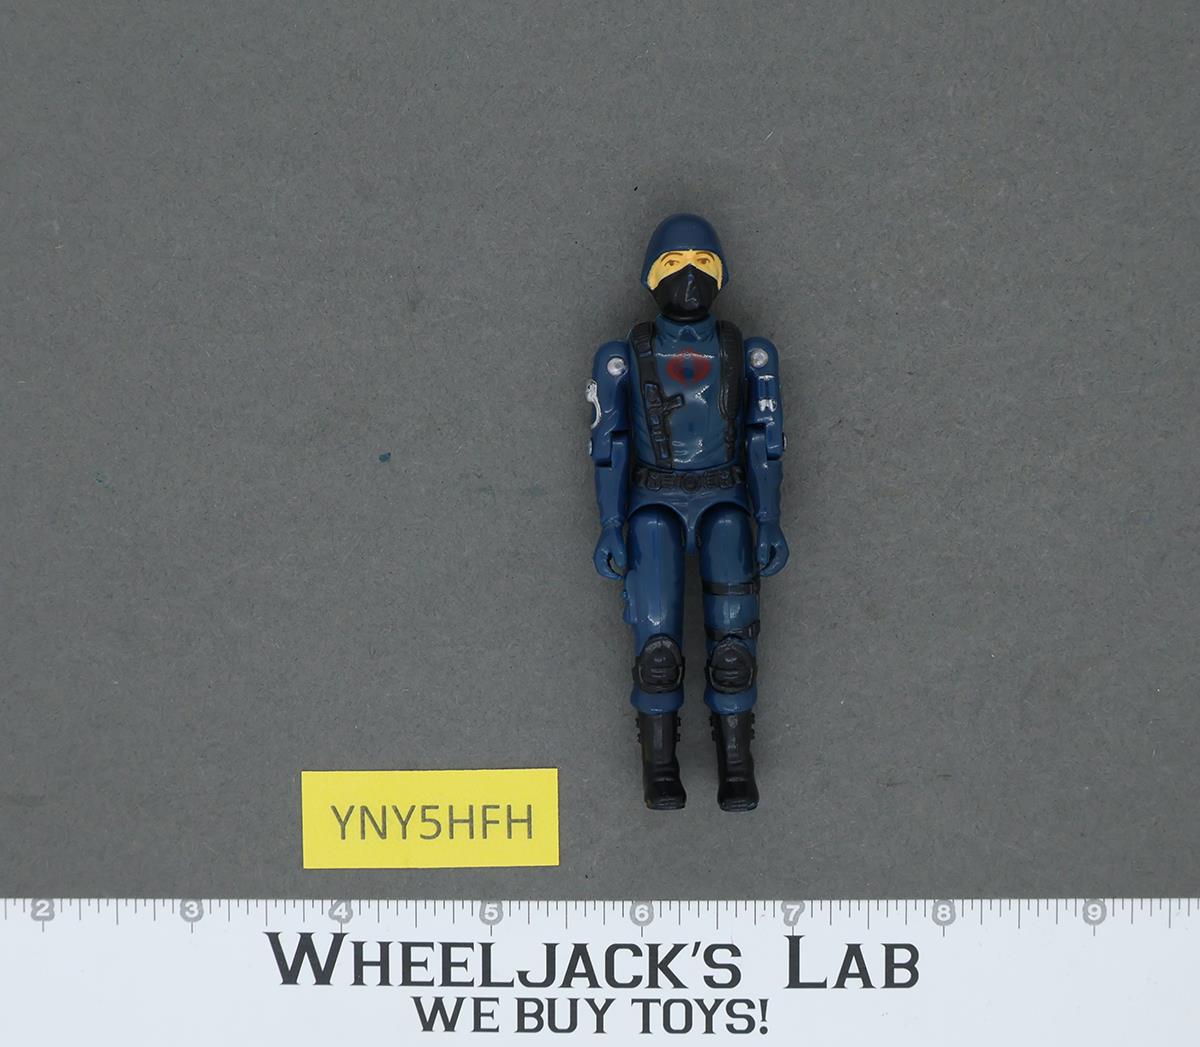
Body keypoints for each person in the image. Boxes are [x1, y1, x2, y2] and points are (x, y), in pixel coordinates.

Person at [587, 213, 789, 811]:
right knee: (656, 651)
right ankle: (659, 769)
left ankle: (736, 765)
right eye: (674, 264)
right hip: (654, 501)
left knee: (734, 650)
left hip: (726, 499)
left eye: (703, 263)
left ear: (722, 273)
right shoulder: (621, 358)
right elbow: (608, 444)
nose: (690, 276)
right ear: (651, 276)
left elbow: (765, 440)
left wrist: (768, 518)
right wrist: (611, 525)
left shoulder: (749, 355)